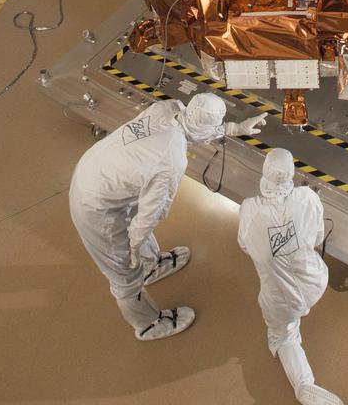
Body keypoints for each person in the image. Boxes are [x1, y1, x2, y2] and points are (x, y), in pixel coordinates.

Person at [70, 92, 266, 341]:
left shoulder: (167, 108)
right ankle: (147, 324)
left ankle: (151, 266)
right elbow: (151, 213)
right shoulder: (170, 160)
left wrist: (232, 128)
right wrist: (133, 246)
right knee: (123, 272)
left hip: (98, 172)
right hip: (94, 205)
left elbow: (188, 129)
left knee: (134, 224)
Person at [238, 148, 343, 405]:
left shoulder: (250, 210)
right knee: (297, 303)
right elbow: (318, 237)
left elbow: (245, 245)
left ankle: (304, 386)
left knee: (283, 336)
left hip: (280, 299)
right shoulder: (307, 198)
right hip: (314, 282)